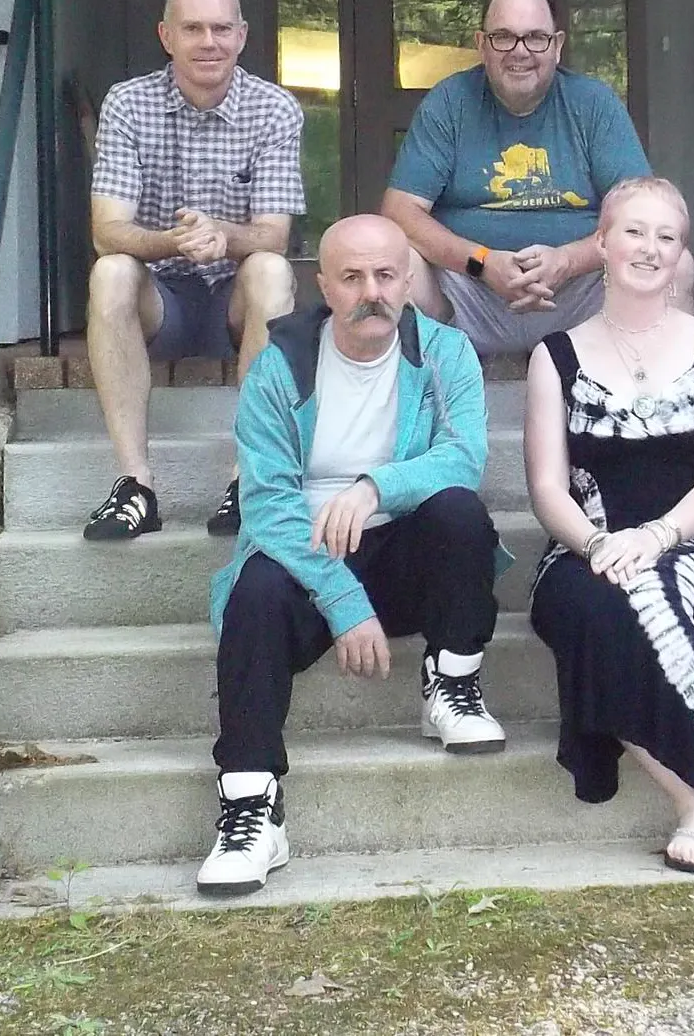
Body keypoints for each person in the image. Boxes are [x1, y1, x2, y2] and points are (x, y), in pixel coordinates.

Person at [196, 214, 508, 895]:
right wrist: (343, 600)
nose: (373, 292)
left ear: (410, 280)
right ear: (324, 287)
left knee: (459, 514)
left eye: (387, 275)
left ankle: (452, 683)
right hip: (307, 554)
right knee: (255, 593)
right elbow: (268, 505)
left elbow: (463, 457)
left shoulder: (446, 353)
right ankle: (251, 805)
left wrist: (373, 489)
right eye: (353, 277)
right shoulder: (280, 365)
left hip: (403, 553)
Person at [524, 177, 694, 874]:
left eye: (666, 237)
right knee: (593, 604)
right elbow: (546, 487)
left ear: (680, 256)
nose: (649, 248)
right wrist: (597, 543)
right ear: (602, 244)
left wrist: (657, 537)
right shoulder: (554, 356)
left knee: (650, 592)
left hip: (689, 543)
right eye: (634, 232)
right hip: (582, 550)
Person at [84, 0, 303, 542]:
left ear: (242, 36)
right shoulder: (128, 103)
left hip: (236, 302)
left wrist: (221, 235)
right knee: (110, 272)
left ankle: (247, 479)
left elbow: (275, 235)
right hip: (163, 299)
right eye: (193, 28)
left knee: (271, 269)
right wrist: (178, 241)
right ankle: (135, 485)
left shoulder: (274, 108)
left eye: (222, 28)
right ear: (166, 37)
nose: (209, 41)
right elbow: (107, 232)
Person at [382, 0, 692, 356]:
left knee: (676, 265)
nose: (520, 51)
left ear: (557, 45)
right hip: (468, 296)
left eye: (535, 38)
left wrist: (567, 261)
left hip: (582, 298)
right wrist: (482, 262)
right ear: (481, 44)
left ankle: (665, 388)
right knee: (393, 262)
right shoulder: (450, 102)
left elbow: (644, 212)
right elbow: (400, 212)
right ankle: (418, 392)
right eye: (503, 37)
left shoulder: (593, 103)